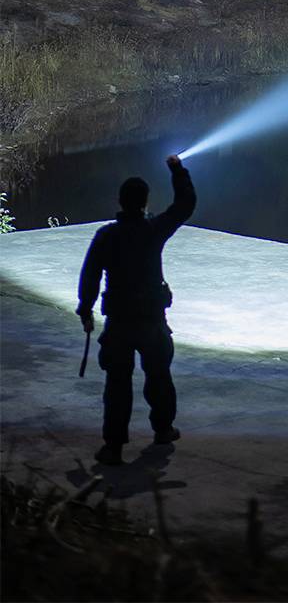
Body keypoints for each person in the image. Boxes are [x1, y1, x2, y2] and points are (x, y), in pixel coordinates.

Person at [77, 154, 196, 466]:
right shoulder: (153, 230)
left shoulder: (106, 235)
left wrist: (85, 309)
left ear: (120, 201)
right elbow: (185, 205)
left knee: (117, 384)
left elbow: (89, 274)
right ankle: (163, 429)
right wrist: (177, 170)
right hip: (151, 319)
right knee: (158, 375)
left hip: (119, 321)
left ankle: (113, 447)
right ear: (145, 202)